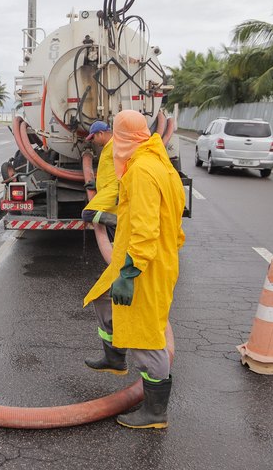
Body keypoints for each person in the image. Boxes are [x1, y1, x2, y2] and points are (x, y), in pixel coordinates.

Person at [83, 110, 185, 429]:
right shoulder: (157, 160)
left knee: (146, 336)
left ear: (123, 137)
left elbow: (144, 229)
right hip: (141, 257)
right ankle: (114, 358)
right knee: (101, 298)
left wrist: (130, 272)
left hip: (144, 263)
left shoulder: (142, 170)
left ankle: (155, 412)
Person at [81, 120, 118, 239]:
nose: (93, 142)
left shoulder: (114, 146)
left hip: (113, 191)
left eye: (93, 138)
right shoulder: (110, 146)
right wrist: (96, 183)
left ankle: (119, 222)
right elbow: (110, 170)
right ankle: (115, 253)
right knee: (112, 230)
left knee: (88, 213)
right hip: (109, 190)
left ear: (100, 134)